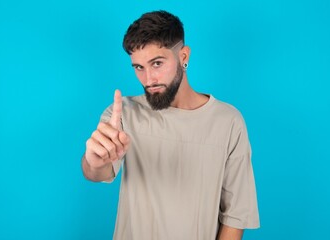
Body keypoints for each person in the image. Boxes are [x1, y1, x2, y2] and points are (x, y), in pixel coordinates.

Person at [82, 10, 260, 240]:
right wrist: (95, 162)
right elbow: (96, 172)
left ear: (184, 56)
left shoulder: (228, 121)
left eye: (156, 63)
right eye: (139, 67)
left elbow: (235, 217)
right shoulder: (123, 113)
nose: (148, 79)